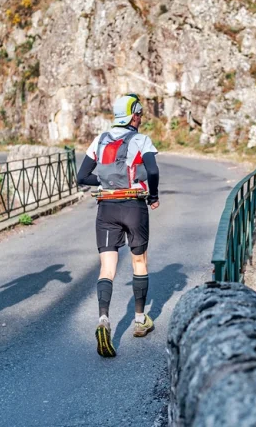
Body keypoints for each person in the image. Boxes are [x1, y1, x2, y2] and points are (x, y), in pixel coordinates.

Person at [77, 94, 160, 358]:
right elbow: (154, 171)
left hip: (106, 208)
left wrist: (105, 182)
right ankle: (139, 320)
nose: (142, 118)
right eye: (140, 114)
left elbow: (81, 176)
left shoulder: (99, 140)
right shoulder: (141, 139)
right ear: (134, 115)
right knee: (139, 262)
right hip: (134, 205)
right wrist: (154, 195)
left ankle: (103, 319)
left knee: (107, 267)